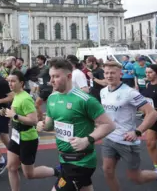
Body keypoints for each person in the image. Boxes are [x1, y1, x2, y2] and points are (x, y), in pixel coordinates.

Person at [37, 58, 116, 191]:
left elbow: (109, 125)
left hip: (81, 162)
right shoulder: (52, 98)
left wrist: (87, 140)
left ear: (69, 76)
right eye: (50, 76)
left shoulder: (85, 100)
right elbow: (50, 125)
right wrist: (42, 124)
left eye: (56, 76)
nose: (51, 81)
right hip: (64, 159)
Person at [100, 61, 157, 190]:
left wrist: (137, 131)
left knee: (135, 178)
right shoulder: (103, 91)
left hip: (127, 141)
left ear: (120, 73)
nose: (109, 76)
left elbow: (151, 113)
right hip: (109, 138)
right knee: (107, 171)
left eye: (112, 73)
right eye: (106, 73)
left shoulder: (130, 92)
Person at [3, 70, 55, 190]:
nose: (10, 83)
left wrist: (14, 116)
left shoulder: (25, 99)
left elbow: (33, 120)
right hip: (16, 137)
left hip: (28, 138)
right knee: (11, 167)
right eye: (9, 81)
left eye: (13, 81)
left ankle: (56, 171)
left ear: (21, 83)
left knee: (29, 174)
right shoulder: (16, 95)